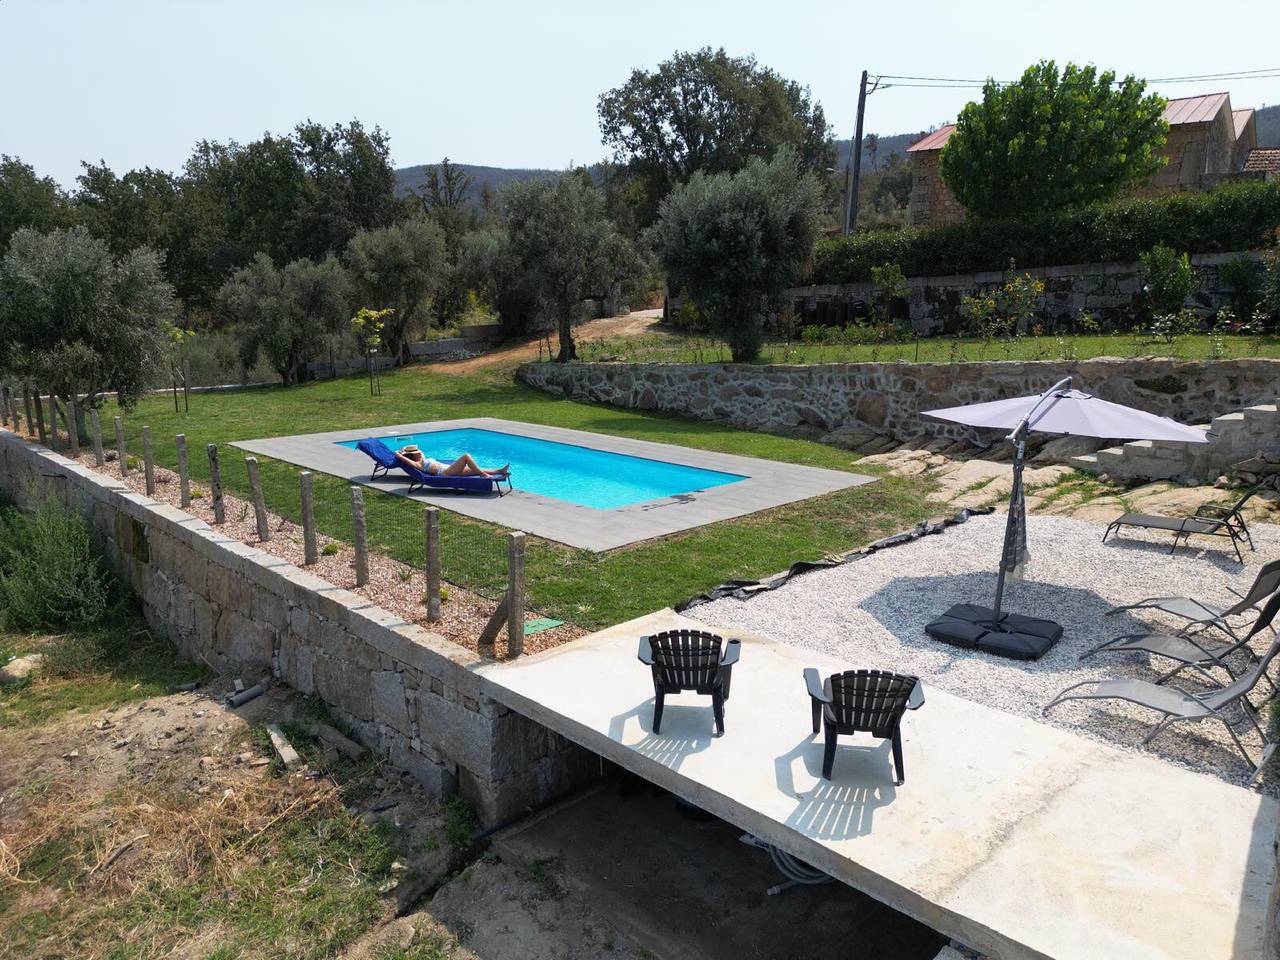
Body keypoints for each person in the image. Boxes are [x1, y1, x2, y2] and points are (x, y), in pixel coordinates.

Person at [397, 444, 508, 478]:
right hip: (445, 472)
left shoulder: (422, 457)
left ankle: (500, 470)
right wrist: (402, 453)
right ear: (412, 456)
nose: (418, 453)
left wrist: (408, 450)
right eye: (415, 453)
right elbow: (401, 457)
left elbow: (419, 451)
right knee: (466, 456)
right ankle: (483, 475)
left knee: (476, 469)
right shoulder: (417, 464)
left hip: (450, 469)